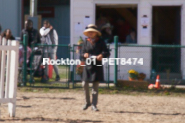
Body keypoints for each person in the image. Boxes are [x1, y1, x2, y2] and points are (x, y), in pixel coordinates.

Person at [81, 24, 110, 111]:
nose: (90, 33)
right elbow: (81, 53)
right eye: (89, 32)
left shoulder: (101, 42)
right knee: (84, 85)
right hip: (88, 65)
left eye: (92, 32)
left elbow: (107, 52)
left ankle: (94, 104)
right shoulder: (85, 42)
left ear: (96, 33)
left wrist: (101, 55)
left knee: (95, 87)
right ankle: (87, 103)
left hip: (97, 65)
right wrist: (84, 55)